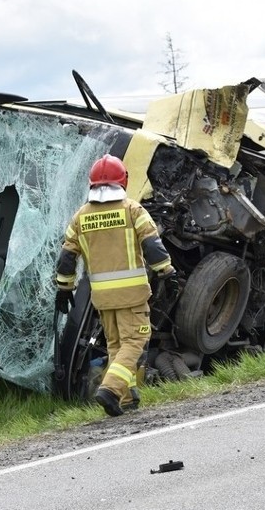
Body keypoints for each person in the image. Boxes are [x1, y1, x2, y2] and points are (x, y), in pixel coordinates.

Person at [55, 155, 177, 417]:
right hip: (131, 295)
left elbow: (67, 257)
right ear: (123, 180)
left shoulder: (81, 216)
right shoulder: (132, 209)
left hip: (102, 297)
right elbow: (152, 245)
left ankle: (125, 397)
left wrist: (64, 288)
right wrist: (167, 272)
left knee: (116, 344)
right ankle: (110, 389)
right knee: (135, 341)